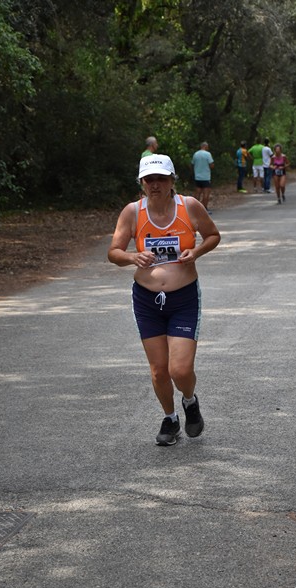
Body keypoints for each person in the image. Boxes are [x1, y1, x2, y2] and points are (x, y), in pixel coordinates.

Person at [108, 154, 221, 446]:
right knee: (159, 370)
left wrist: (195, 252)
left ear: (172, 181)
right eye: (149, 180)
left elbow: (212, 235)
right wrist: (132, 256)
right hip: (147, 299)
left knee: (179, 369)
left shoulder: (189, 207)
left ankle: (189, 400)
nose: (155, 184)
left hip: (184, 297)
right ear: (142, 183)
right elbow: (114, 252)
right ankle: (170, 419)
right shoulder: (133, 212)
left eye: (161, 179)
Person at [191, 142, 214, 210]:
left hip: (197, 177)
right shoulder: (208, 154)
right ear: (205, 146)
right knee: (206, 193)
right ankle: (204, 208)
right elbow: (211, 165)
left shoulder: (196, 154)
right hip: (206, 177)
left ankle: (195, 208)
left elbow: (192, 164)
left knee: (197, 193)